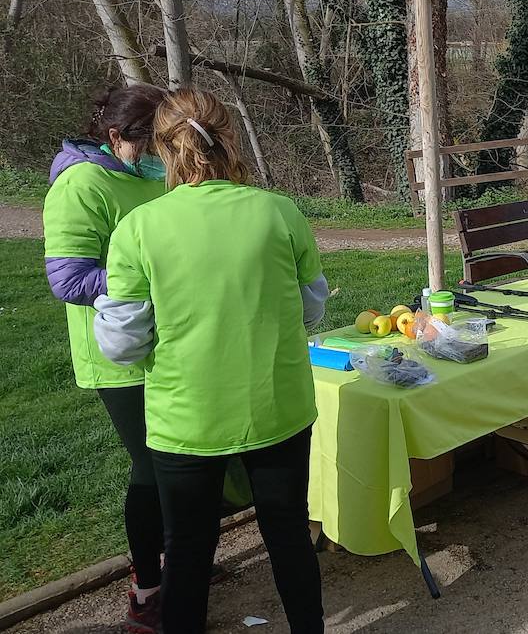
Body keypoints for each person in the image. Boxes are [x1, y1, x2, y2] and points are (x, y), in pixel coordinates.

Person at [94, 89, 330, 634]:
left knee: (188, 551)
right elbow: (311, 306)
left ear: (163, 148)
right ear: (230, 139)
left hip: (187, 419)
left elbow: (123, 345)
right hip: (278, 406)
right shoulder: (279, 211)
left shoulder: (139, 229)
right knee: (289, 536)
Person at [43, 85, 169, 633]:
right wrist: (157, 281)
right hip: (115, 353)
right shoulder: (81, 184)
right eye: (151, 143)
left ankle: (180, 559)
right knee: (151, 467)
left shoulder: (153, 175)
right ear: (116, 136)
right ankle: (146, 590)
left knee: (179, 459)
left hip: (168, 343)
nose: (162, 154)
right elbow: (69, 278)